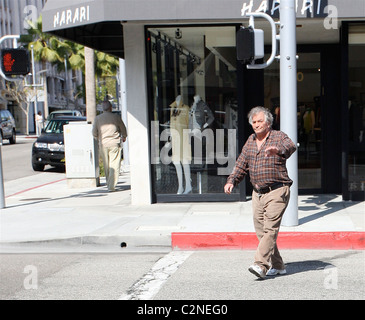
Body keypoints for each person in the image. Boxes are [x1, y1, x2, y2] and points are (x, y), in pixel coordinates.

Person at [224, 106, 296, 279]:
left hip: (277, 190)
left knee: (270, 229)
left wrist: (277, 150)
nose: (256, 125)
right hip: (258, 193)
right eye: (254, 122)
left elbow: (290, 146)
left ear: (268, 123)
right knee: (262, 232)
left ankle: (260, 264)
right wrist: (231, 180)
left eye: (259, 121)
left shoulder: (278, 137)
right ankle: (278, 266)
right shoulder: (250, 141)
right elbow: (242, 163)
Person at [92, 101, 128, 192]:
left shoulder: (97, 118)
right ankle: (111, 186)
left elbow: (94, 132)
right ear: (111, 107)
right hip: (114, 143)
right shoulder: (116, 117)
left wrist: (98, 137)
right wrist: (124, 136)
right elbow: (123, 129)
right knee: (114, 165)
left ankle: (109, 183)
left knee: (106, 165)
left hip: (103, 144)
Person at [170, 95, 192, 194]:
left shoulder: (186, 108)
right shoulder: (173, 108)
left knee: (185, 161)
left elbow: (189, 123)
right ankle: (180, 187)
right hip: (175, 139)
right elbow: (172, 123)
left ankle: (188, 185)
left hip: (183, 138)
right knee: (176, 162)